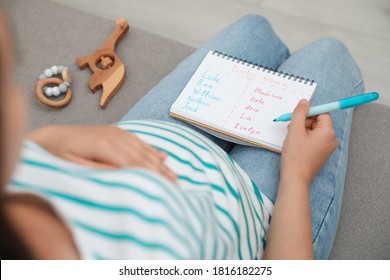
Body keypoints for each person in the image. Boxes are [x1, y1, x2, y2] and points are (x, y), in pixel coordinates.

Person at [0, 12, 363, 260]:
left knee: (255, 29)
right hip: (257, 208)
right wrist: (297, 176)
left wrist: (52, 140)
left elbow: (27, 152)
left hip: (154, 134)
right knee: (329, 54)